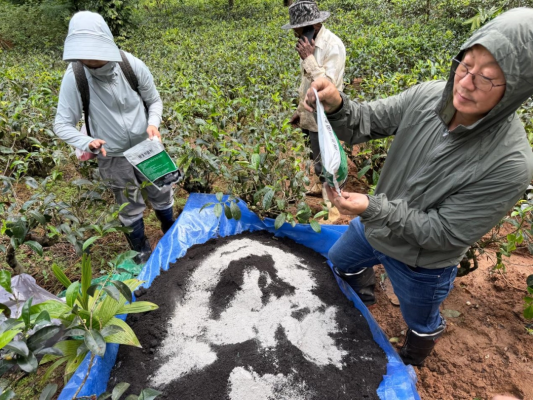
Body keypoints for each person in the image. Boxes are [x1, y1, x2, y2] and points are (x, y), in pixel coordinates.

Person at [305, 8, 533, 366]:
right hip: (375, 224)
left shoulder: (510, 163)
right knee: (340, 262)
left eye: (487, 78)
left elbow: (444, 234)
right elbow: (366, 121)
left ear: (517, 88)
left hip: (422, 263)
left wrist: (373, 207)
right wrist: (337, 106)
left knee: (420, 319)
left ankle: (415, 353)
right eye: (465, 65)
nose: (466, 83)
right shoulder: (428, 96)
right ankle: (364, 293)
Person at [54, 11, 175, 263]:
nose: (93, 62)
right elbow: (62, 124)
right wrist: (87, 142)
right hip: (113, 156)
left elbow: (154, 101)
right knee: (129, 204)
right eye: (87, 58)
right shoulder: (75, 77)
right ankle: (141, 249)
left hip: (148, 147)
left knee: (162, 191)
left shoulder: (131, 65)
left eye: (98, 57)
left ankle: (171, 230)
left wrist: (153, 124)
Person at [282, 0, 346, 201]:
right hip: (310, 114)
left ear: (313, 26)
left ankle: (333, 205)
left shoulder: (332, 46)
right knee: (316, 157)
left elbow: (328, 87)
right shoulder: (308, 45)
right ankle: (323, 189)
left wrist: (309, 58)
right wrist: (300, 112)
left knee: (329, 161)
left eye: (297, 29)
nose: (295, 34)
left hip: (325, 116)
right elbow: (306, 84)